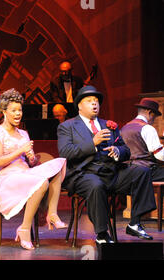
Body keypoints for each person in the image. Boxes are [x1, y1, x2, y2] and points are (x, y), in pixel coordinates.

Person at [57, 85, 156, 243]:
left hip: (110, 172)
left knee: (142, 171)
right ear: (79, 106)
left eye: (96, 101)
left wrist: (118, 151)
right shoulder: (67, 127)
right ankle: (102, 234)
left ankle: (135, 223)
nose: (94, 104)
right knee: (95, 185)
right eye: (89, 101)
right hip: (83, 174)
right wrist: (93, 143)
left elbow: (126, 150)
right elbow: (66, 152)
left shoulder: (109, 125)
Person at [0, 89, 67, 250]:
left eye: (20, 110)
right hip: (8, 178)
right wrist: (20, 150)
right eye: (14, 110)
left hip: (25, 173)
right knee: (42, 182)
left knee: (58, 165)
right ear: (4, 112)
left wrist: (31, 159)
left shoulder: (23, 133)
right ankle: (24, 228)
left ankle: (52, 213)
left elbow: (29, 162)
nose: (18, 114)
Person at [121, 98, 164, 181]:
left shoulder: (124, 127)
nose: (154, 120)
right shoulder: (148, 128)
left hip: (127, 172)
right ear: (149, 112)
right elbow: (159, 155)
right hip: (145, 171)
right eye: (154, 117)